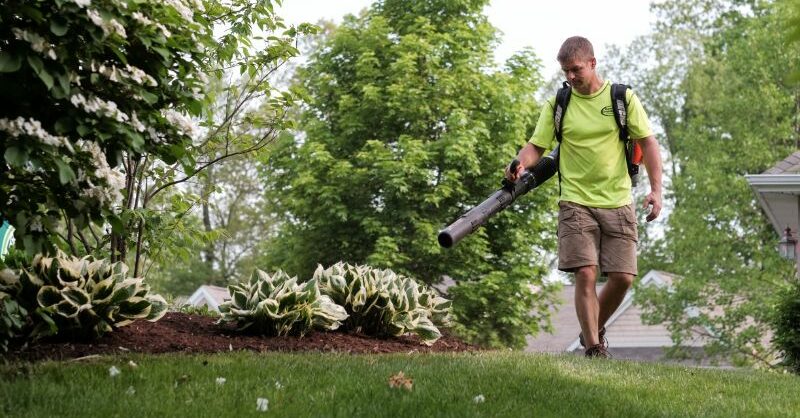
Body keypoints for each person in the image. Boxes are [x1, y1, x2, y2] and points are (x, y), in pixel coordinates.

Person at [505, 36, 663, 358]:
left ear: (592, 63)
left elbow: (648, 143)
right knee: (586, 272)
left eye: (576, 69)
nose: (571, 77)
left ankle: (591, 326)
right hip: (575, 202)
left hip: (618, 201)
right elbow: (537, 146)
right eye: (566, 71)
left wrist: (656, 190)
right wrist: (521, 162)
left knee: (622, 278)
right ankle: (594, 348)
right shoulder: (559, 104)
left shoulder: (622, 98)